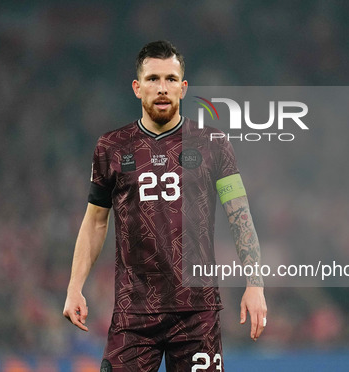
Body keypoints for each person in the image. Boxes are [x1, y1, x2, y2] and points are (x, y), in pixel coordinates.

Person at [63, 40, 267, 371]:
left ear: (183, 88)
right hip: (134, 312)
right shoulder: (111, 147)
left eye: (171, 79)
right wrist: (74, 288)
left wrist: (255, 284)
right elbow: (96, 221)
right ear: (137, 87)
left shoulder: (214, 144)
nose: (162, 88)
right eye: (153, 79)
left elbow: (240, 216)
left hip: (197, 312)